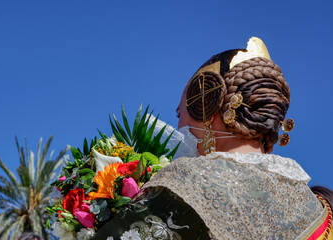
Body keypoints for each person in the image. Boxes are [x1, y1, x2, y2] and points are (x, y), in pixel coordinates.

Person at [92, 37, 332, 240]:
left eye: (179, 113)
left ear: (206, 104)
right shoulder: (319, 208)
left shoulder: (187, 180)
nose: (177, 124)